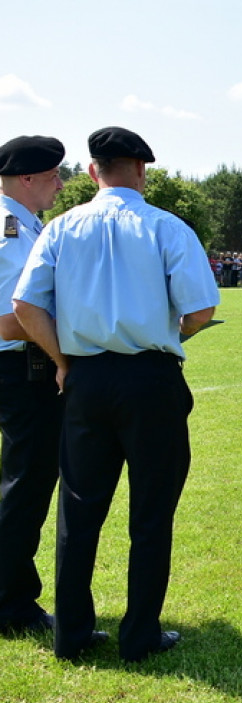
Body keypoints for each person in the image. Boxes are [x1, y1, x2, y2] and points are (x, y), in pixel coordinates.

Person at [13, 126, 220, 662]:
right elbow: (200, 311)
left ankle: (73, 634)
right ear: (143, 171)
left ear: (91, 172)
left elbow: (26, 307)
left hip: (84, 380)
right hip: (150, 379)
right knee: (151, 513)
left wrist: (62, 362)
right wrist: (169, 335)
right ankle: (139, 634)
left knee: (78, 513)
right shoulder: (166, 227)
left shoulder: (59, 228)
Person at [0, 135, 65, 636]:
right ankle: (11, 604)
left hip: (21, 367)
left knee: (22, 483)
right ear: (27, 178)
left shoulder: (24, 225)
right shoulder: (11, 231)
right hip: (21, 371)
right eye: (52, 176)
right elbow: (8, 320)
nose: (60, 184)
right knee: (26, 485)